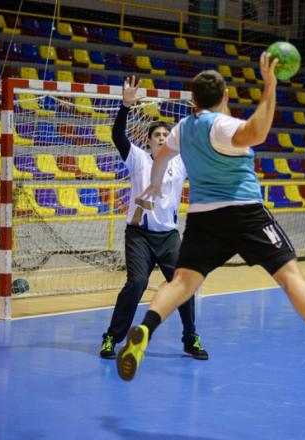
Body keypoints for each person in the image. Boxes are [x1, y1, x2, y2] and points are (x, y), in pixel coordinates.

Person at [116, 53, 305, 381]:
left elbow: (162, 156)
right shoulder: (222, 125)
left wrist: (153, 184)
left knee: (182, 282)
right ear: (225, 97)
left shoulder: (182, 129)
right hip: (245, 213)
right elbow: (258, 132)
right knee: (289, 274)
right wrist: (270, 86)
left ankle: (145, 332)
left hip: (204, 217)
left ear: (192, 99)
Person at [99, 76, 208, 361]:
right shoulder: (138, 158)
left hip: (169, 236)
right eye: (157, 135)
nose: (162, 138)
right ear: (148, 141)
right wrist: (126, 106)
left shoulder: (181, 162)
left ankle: (190, 338)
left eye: (165, 135)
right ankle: (111, 339)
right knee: (136, 283)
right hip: (139, 235)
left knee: (183, 286)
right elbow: (118, 137)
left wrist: (200, 110)